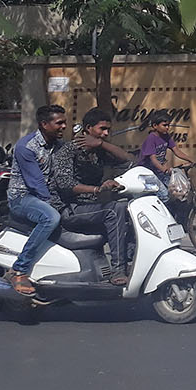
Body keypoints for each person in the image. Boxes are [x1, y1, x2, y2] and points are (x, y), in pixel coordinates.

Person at [50, 108, 131, 286]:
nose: (106, 133)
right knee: (114, 210)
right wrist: (98, 189)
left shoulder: (100, 151)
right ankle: (118, 270)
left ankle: (131, 262)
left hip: (91, 208)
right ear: (88, 128)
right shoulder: (68, 150)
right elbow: (66, 184)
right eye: (102, 129)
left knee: (129, 210)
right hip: (71, 208)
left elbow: (128, 160)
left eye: (108, 129)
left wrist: (101, 144)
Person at [6, 105, 68, 296]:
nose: (64, 126)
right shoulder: (26, 147)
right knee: (50, 217)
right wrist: (53, 202)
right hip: (22, 197)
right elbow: (36, 183)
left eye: (64, 122)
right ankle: (19, 269)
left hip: (44, 195)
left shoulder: (58, 145)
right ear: (44, 124)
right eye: (59, 123)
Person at [137, 115, 196, 221]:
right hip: (148, 174)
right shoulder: (151, 138)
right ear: (155, 126)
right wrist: (164, 169)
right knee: (164, 195)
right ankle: (165, 219)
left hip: (160, 172)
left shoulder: (166, 136)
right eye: (164, 125)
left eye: (168, 125)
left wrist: (192, 160)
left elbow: (176, 151)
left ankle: (178, 219)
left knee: (178, 191)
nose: (167, 127)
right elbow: (153, 159)